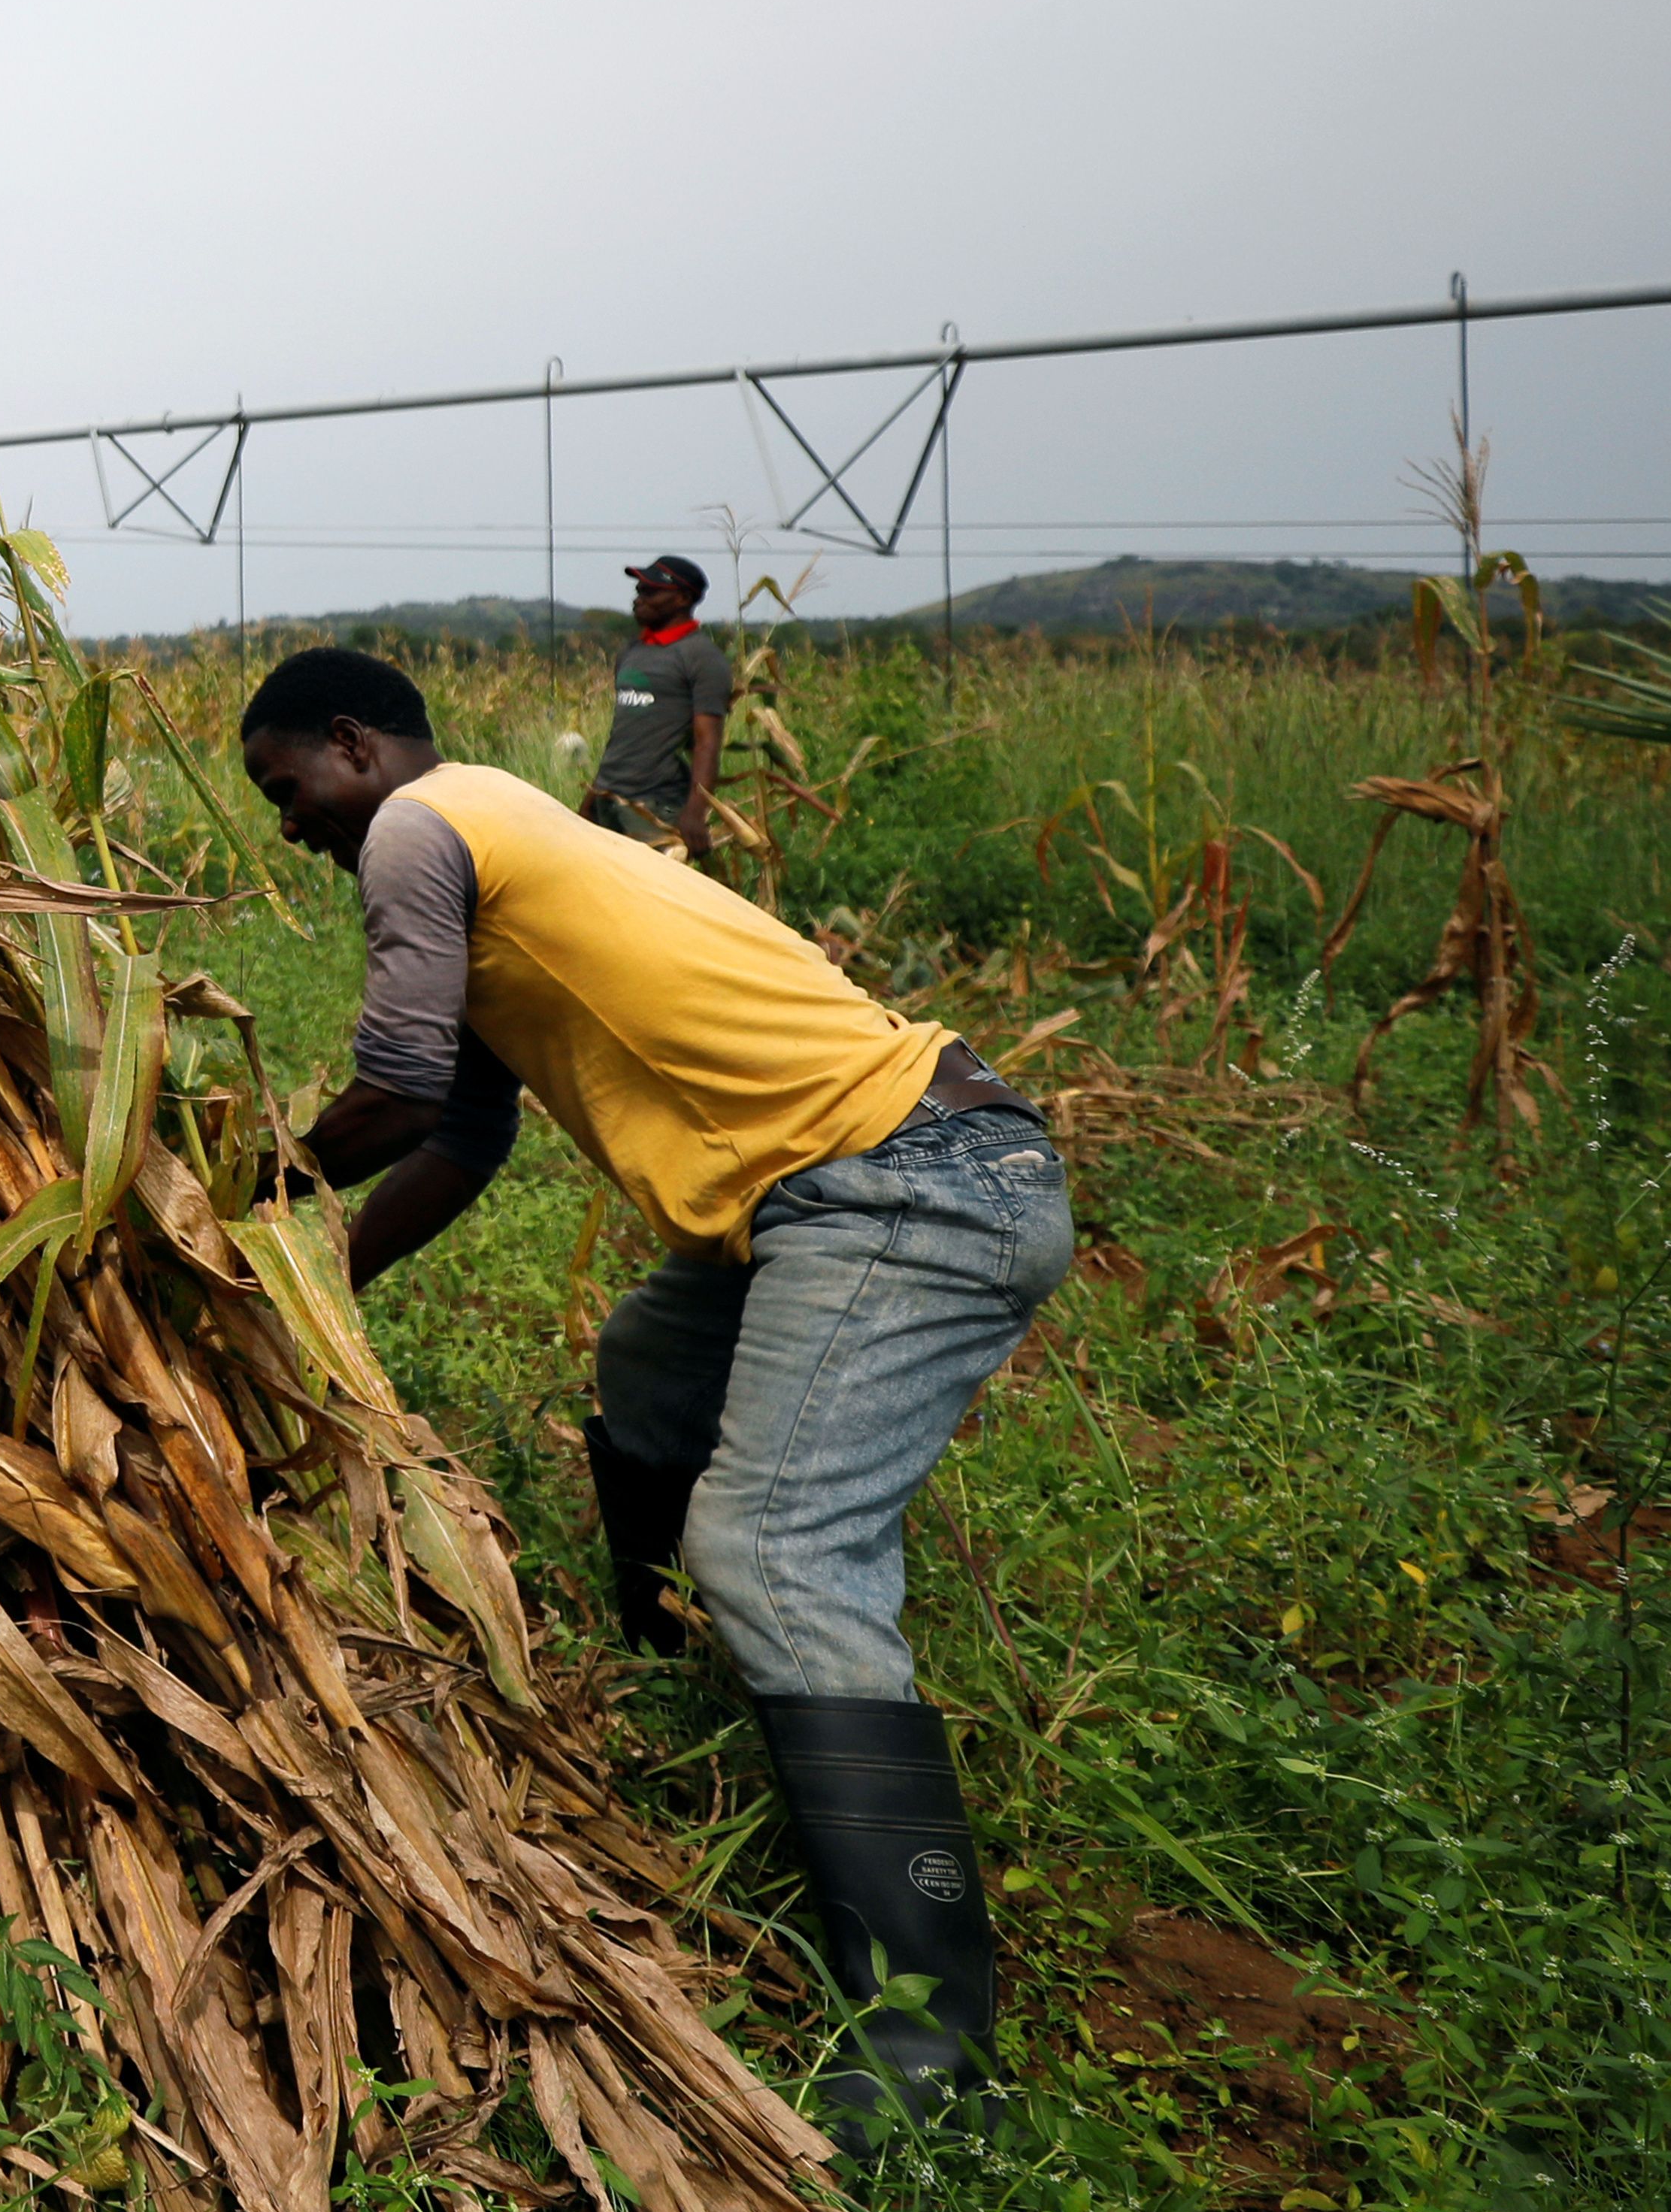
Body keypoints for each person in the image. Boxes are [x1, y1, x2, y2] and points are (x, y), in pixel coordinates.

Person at [236, 643, 1066, 2135]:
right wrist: (314, 1277)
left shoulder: (423, 831)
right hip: (853, 1179)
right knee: (648, 1363)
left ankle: (932, 2046)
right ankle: (681, 1671)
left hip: (903, 1188)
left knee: (777, 1546)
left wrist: (241, 1195)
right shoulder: (505, 827)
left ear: (354, 746)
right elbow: (461, 1140)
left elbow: (401, 1081)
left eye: (287, 789)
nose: (289, 826)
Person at [585, 554, 735, 854]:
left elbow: (707, 743)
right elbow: (623, 735)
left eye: (651, 592)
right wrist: (592, 800)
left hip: (654, 807)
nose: (639, 599)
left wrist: (695, 813)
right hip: (608, 800)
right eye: (639, 591)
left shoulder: (701, 658)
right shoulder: (632, 652)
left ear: (682, 598)